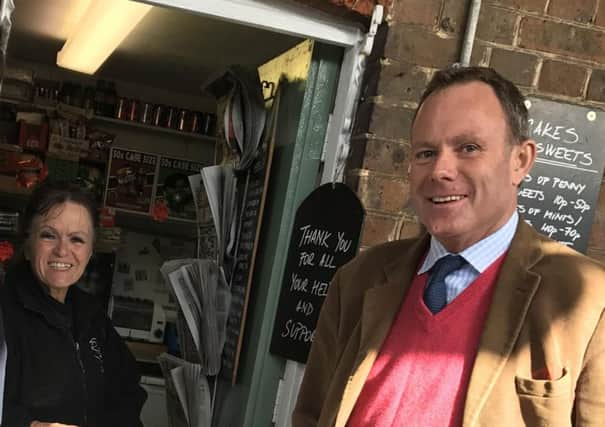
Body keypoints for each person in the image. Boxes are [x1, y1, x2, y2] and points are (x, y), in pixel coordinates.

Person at [292, 66, 605, 426]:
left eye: (468, 148)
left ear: (520, 161)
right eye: (426, 152)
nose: (440, 170)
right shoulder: (357, 280)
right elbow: (311, 414)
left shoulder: (590, 303)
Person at [0, 180, 147, 427]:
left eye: (76, 239)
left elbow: (127, 394)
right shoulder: (4, 313)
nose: (62, 251)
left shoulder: (91, 317)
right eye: (49, 235)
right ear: (27, 245)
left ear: (90, 252)